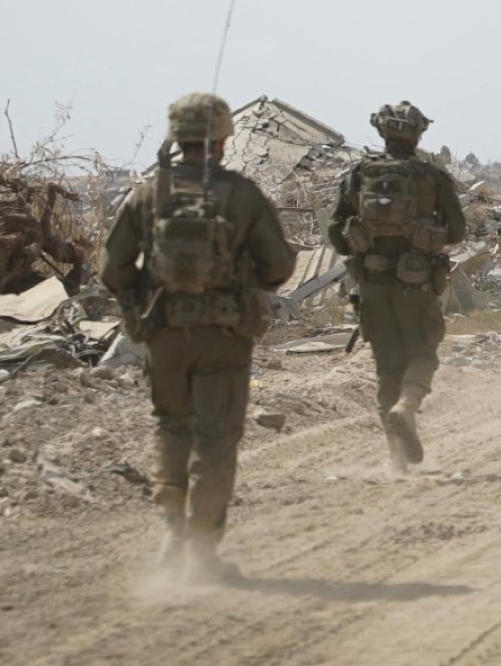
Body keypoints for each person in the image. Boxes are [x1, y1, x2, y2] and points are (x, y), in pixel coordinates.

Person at [102, 93, 295, 581]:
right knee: (215, 439)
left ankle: (172, 534)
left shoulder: (147, 193)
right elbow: (279, 267)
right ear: (223, 138)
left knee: (172, 425)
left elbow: (113, 269)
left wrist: (141, 302)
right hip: (224, 335)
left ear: (175, 136)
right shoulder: (243, 195)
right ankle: (202, 553)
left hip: (163, 331)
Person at [327, 102, 466, 472]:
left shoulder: (358, 175)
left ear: (382, 132)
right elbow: (458, 230)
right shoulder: (430, 177)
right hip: (416, 284)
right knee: (422, 354)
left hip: (372, 285)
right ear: (418, 134)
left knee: (387, 367)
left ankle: (396, 462)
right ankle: (406, 407)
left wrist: (362, 249)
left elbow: (334, 231)